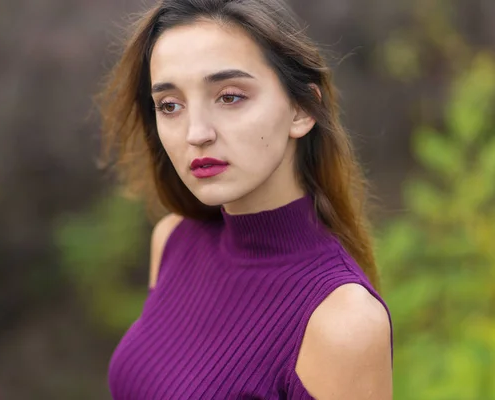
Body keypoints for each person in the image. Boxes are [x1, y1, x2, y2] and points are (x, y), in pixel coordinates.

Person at [98, 0, 393, 398]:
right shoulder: (172, 241)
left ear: (302, 109)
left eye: (230, 96)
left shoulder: (344, 321)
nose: (196, 132)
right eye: (170, 106)